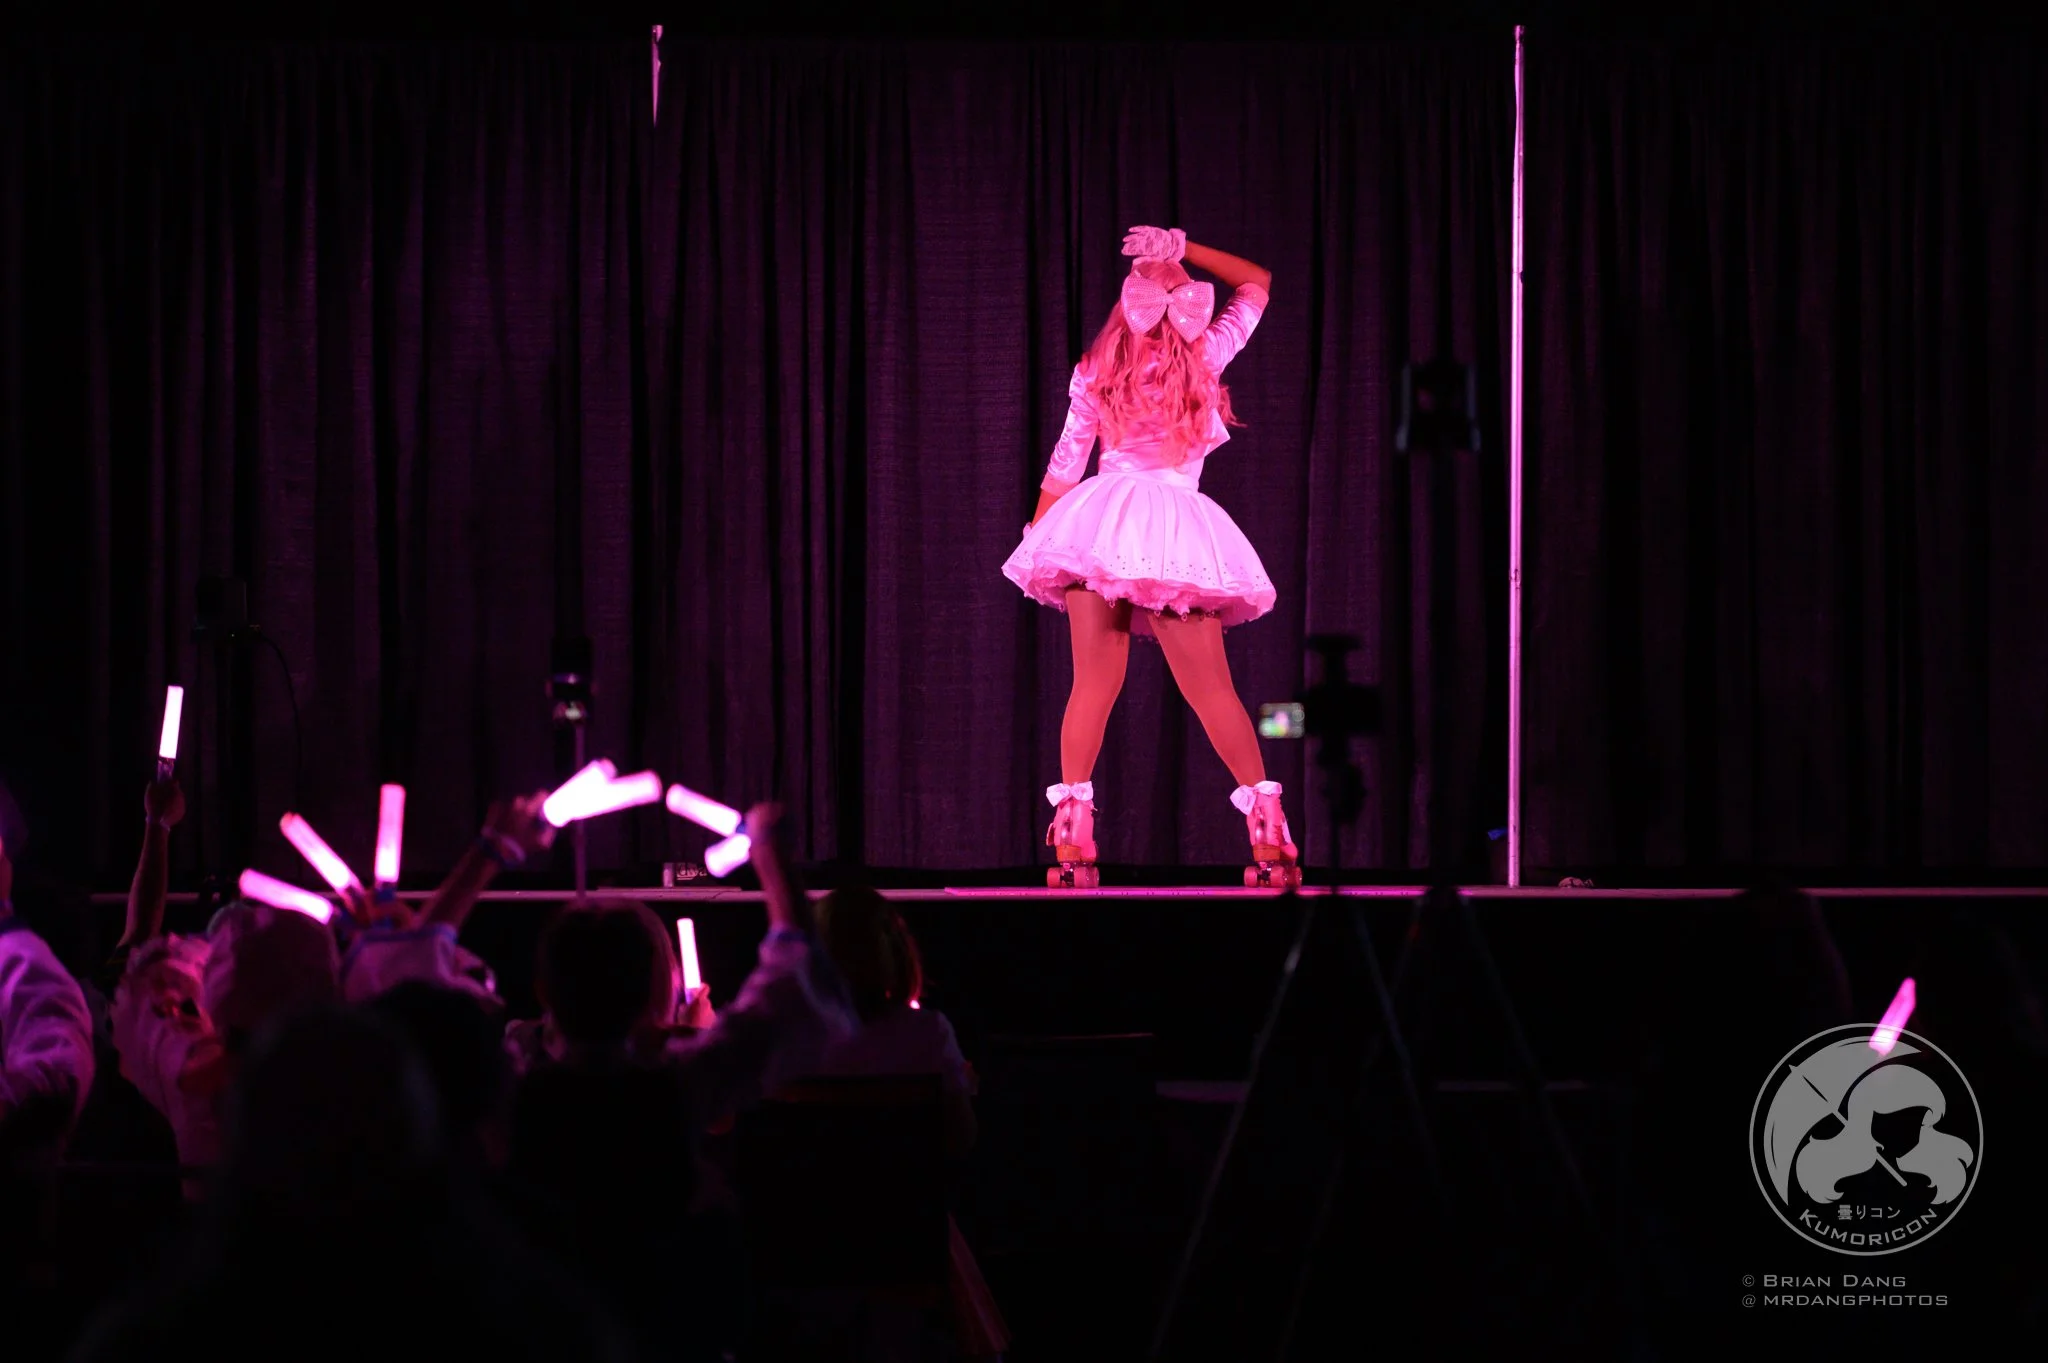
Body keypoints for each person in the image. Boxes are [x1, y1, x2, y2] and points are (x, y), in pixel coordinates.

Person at [1002, 225, 1298, 888]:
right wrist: (1185, 246)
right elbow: (1257, 283)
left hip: (1100, 523)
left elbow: (1063, 466)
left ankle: (1074, 832)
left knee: (1092, 685)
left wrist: (1041, 535)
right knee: (1212, 689)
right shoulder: (1209, 354)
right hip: (1172, 527)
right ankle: (1269, 829)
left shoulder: (1097, 367)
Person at [812, 887, 1008, 1361]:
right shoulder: (928, 1033)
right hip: (905, 1249)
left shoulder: (783, 1038)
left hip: (805, 1250)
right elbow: (963, 1140)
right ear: (894, 951)